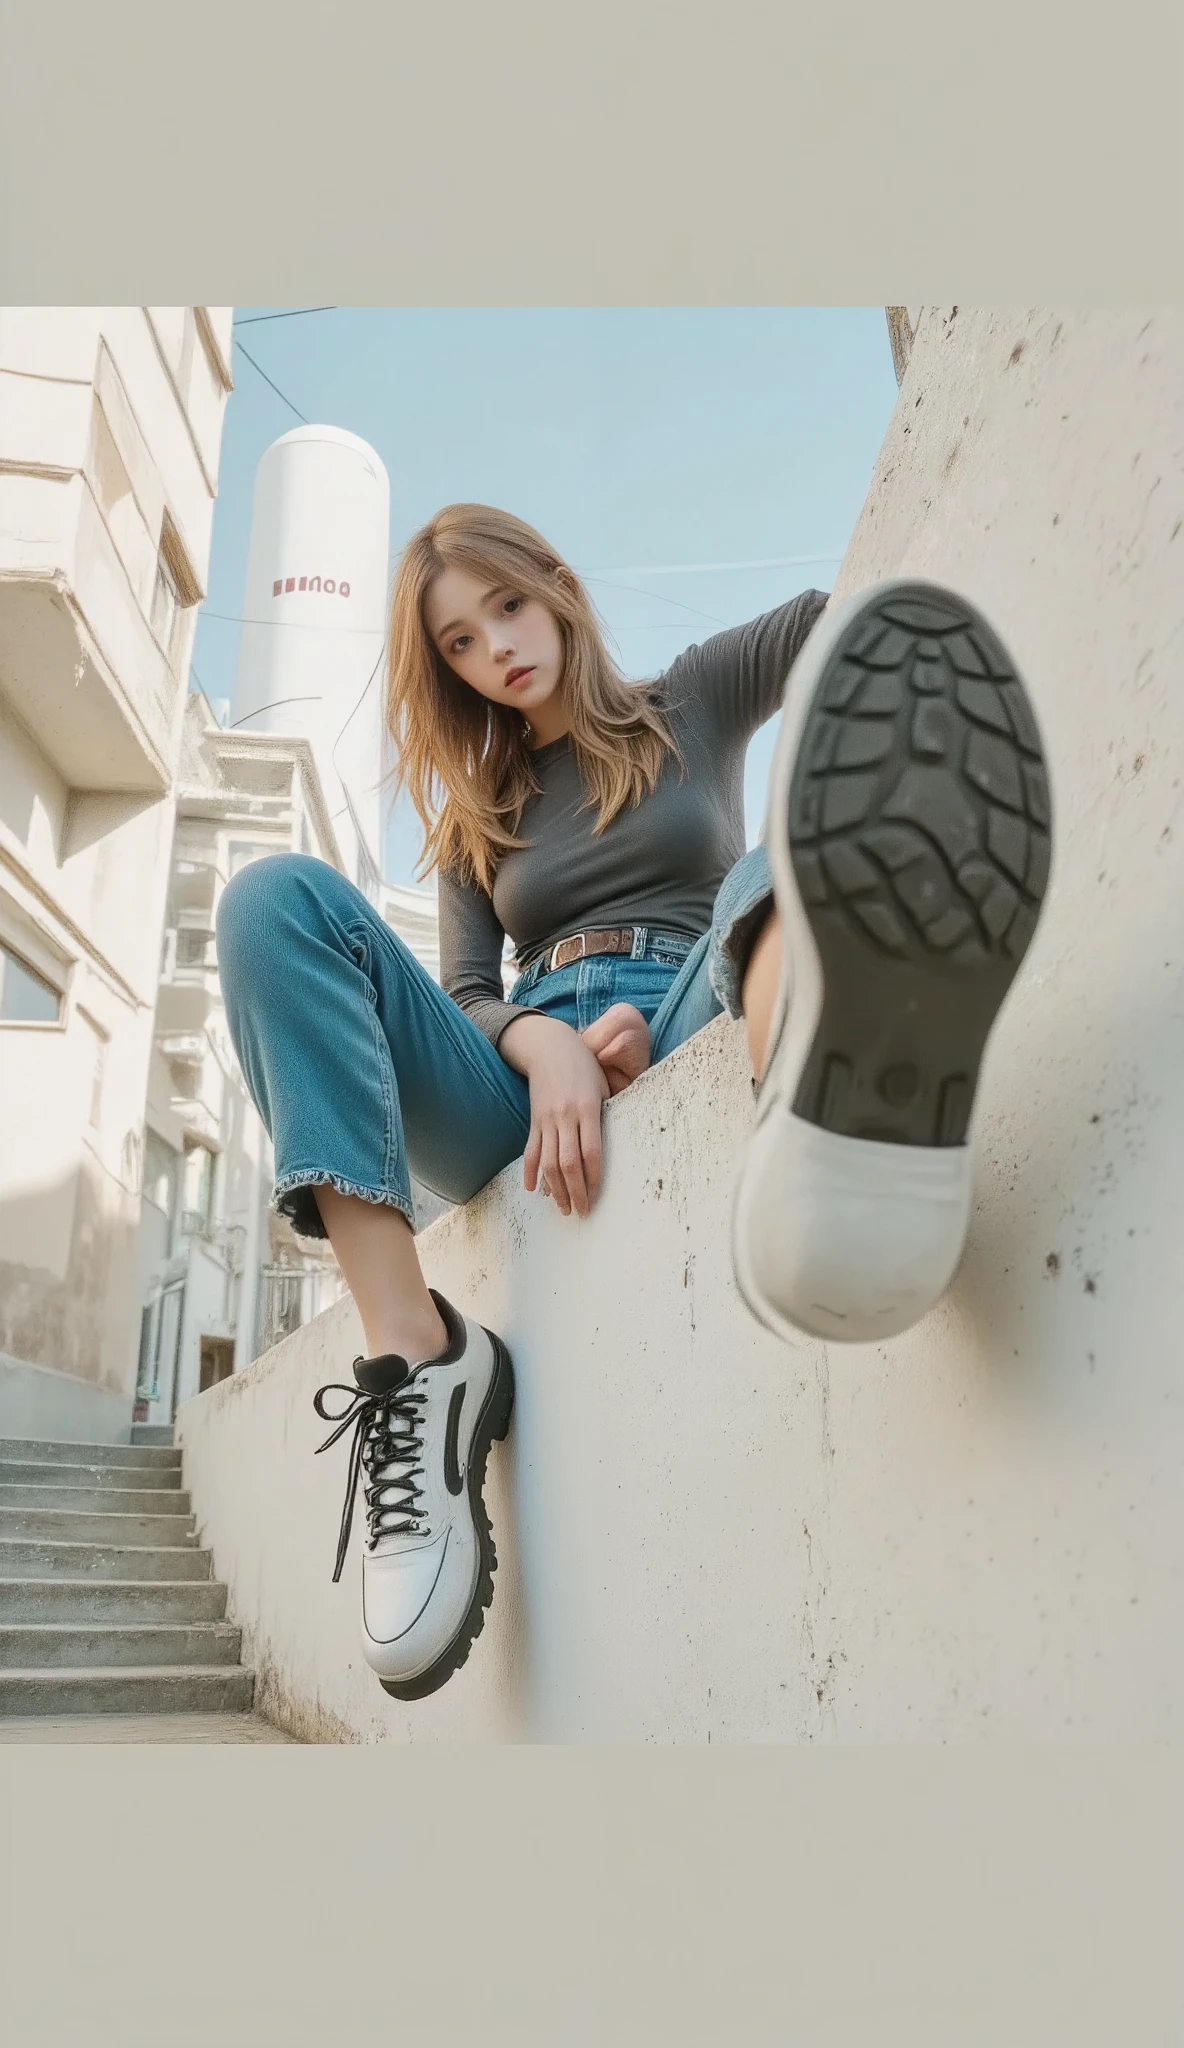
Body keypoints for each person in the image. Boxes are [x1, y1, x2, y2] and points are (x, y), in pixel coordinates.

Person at [216, 504, 1052, 1702]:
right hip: (518, 1086)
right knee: (269, 903)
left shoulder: (695, 693)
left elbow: (846, 629)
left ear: (553, 585)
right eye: (457, 642)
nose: (493, 648)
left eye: (504, 606)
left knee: (774, 869)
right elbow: (460, 991)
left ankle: (834, 1132)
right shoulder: (478, 814)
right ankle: (416, 1355)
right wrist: (546, 1043)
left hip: (689, 997)